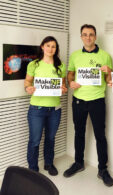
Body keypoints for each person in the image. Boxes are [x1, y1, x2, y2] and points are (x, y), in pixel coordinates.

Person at [63, 24, 113, 187]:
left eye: (91, 34)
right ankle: (78, 163)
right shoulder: (75, 55)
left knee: (100, 135)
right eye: (85, 34)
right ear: (81, 37)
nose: (88, 37)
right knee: (79, 132)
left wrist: (109, 73)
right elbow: (70, 75)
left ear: (95, 36)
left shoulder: (105, 56)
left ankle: (102, 169)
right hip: (78, 100)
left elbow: (109, 80)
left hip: (97, 100)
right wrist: (71, 83)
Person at [24, 36, 67, 175]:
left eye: (53, 46)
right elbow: (27, 82)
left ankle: (49, 164)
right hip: (36, 109)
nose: (50, 49)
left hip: (54, 110)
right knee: (35, 140)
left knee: (50, 138)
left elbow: (63, 85)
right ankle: (33, 169)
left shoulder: (60, 66)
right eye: (48, 45)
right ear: (42, 47)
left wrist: (64, 89)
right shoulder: (34, 64)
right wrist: (28, 88)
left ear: (56, 49)